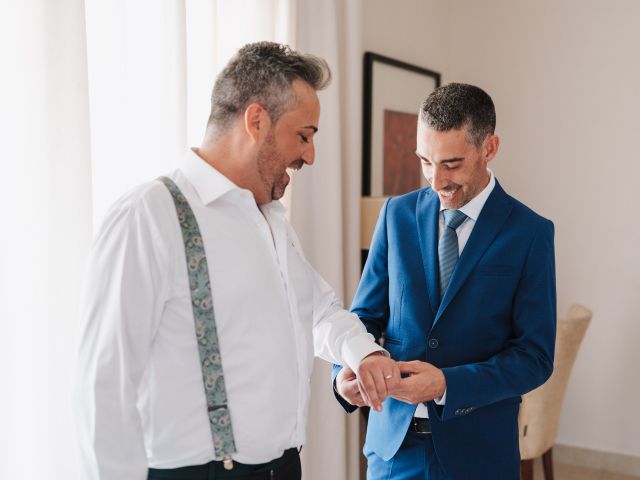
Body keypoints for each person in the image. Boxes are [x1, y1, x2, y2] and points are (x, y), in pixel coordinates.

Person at [74, 41, 400, 480]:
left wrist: (364, 354)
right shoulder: (151, 214)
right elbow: (103, 388)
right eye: (303, 135)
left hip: (282, 468)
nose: (310, 155)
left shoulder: (270, 219)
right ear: (256, 121)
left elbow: (319, 310)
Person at [333, 83, 556, 479]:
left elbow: (534, 358)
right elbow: (364, 317)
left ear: (489, 148)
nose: (436, 181)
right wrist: (346, 373)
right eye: (425, 161)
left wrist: (445, 384)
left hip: (479, 456)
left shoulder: (530, 233)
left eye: (451, 164)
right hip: (392, 452)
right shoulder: (395, 215)